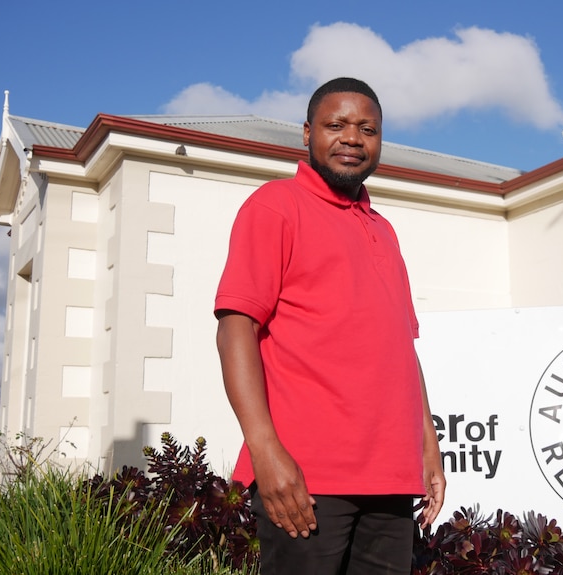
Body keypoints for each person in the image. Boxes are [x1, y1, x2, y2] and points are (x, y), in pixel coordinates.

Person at [214, 77, 446, 574]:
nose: (352, 138)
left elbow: (403, 351)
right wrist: (265, 450)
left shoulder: (384, 230)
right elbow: (236, 328)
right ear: (306, 134)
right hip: (305, 478)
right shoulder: (275, 206)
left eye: (368, 128)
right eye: (335, 125)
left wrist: (429, 448)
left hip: (391, 480)